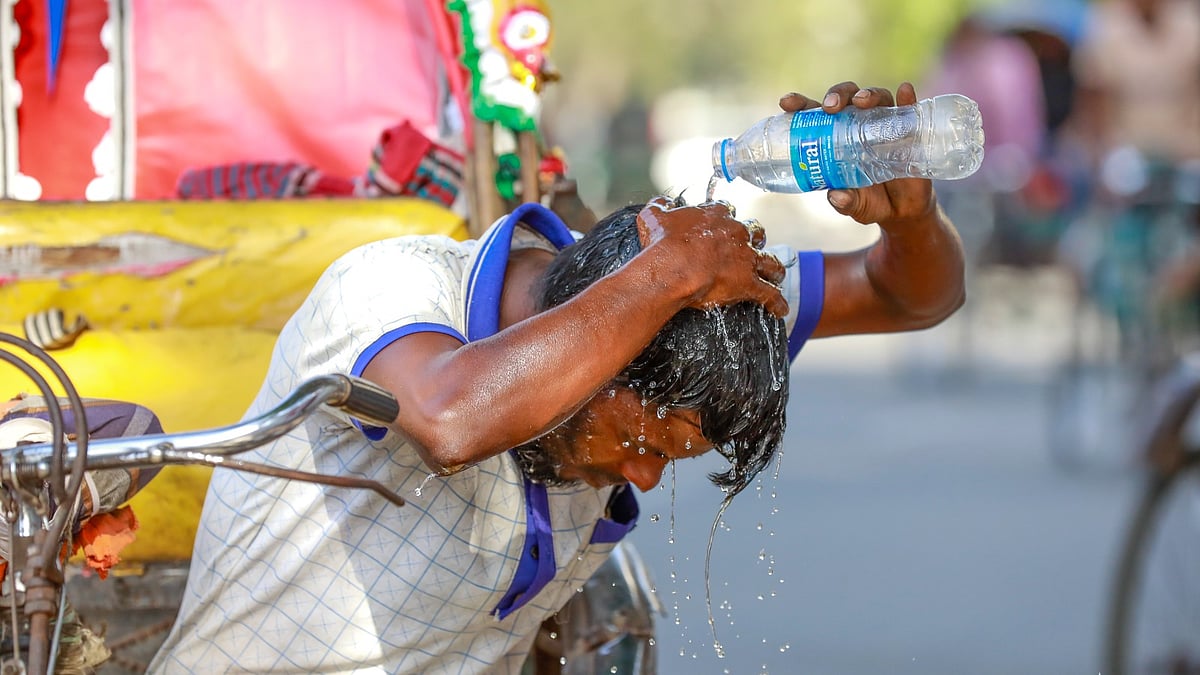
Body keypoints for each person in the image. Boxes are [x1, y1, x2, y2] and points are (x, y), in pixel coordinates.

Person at [148, 81, 966, 674]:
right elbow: (452, 420)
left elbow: (912, 294)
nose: (644, 476)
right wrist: (663, 278)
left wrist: (909, 216)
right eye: (646, 440)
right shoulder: (389, 289)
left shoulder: (700, 307)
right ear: (607, 345)